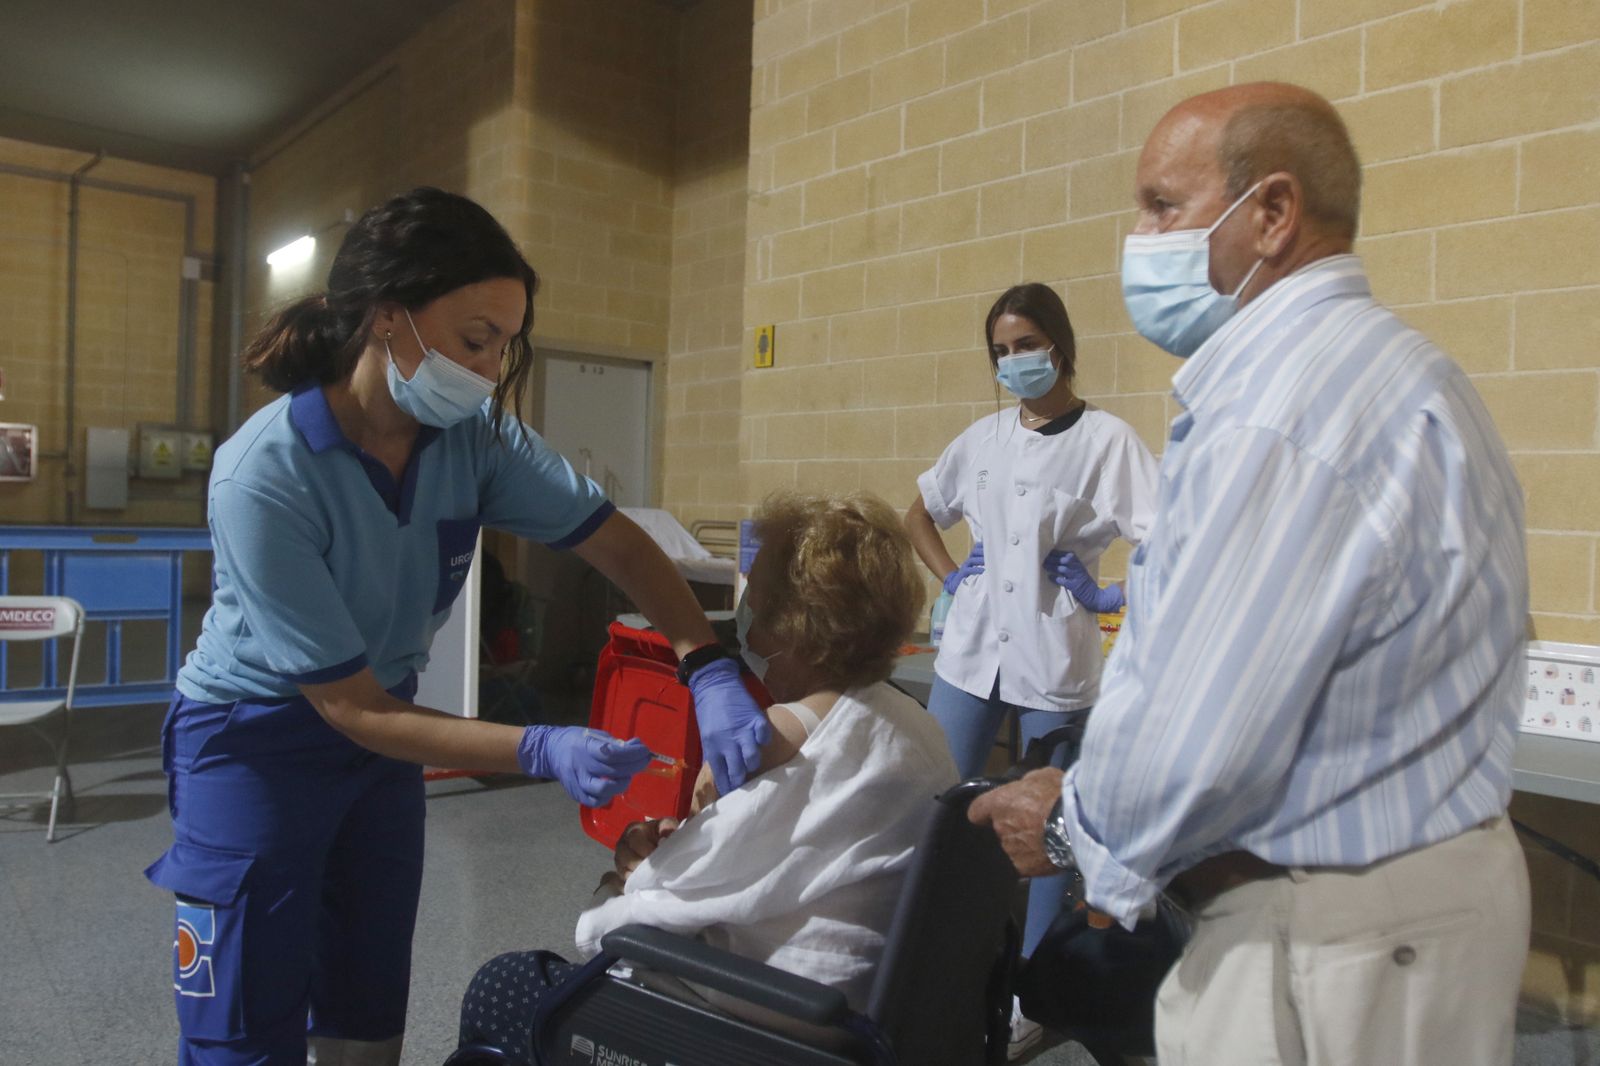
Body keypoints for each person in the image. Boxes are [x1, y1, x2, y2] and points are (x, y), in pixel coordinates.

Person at [969, 82, 1531, 1065]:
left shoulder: (1282, 406)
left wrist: (1071, 824)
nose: (1138, 239)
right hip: (1401, 908)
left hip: (1330, 933)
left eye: (1160, 206)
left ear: (1270, 214)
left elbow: (1206, 734)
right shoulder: (1406, 370)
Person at [144, 187, 770, 1066]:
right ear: (387, 319)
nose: (487, 370)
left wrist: (708, 667)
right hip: (256, 741)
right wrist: (541, 748)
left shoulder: (472, 440)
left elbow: (623, 547)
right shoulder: (265, 474)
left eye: (504, 346)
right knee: (244, 1020)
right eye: (475, 340)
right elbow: (348, 706)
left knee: (367, 1001)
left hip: (381, 739)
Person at [457, 492, 959, 1058]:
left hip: (780, 1020)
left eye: (757, 600)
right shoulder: (918, 726)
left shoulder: (772, 742)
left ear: (793, 624)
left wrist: (628, 874)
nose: (744, 618)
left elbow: (649, 907)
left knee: (503, 988)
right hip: (878, 1012)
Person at [904, 282, 1158, 1056]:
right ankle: (927, 953)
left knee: (1054, 830)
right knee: (937, 802)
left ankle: (1032, 992)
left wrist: (1110, 590)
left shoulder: (1109, 441)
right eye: (1000, 352)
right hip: (973, 650)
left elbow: (1167, 541)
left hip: (1055, 654)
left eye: (1025, 345)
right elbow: (917, 511)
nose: (1014, 362)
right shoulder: (980, 440)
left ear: (1058, 344)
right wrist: (952, 578)